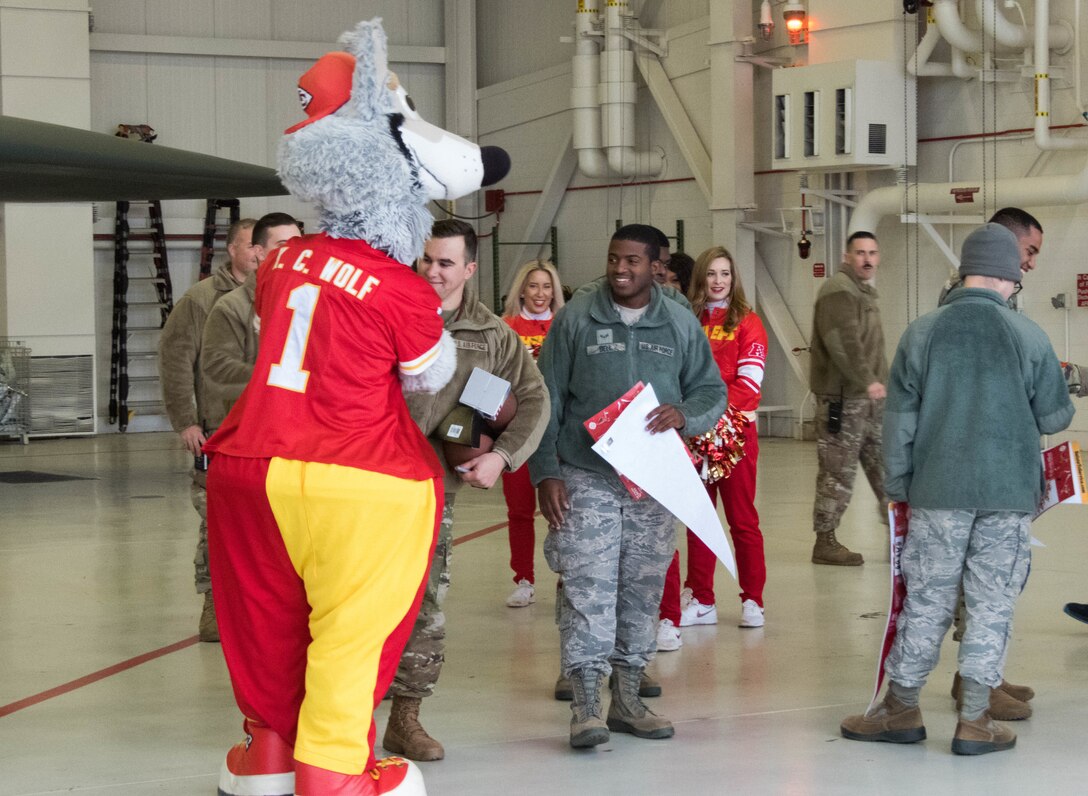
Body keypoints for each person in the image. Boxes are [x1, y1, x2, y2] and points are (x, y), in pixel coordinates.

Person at [840, 223, 1073, 756]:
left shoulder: (922, 333)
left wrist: (898, 487)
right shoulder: (1030, 335)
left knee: (927, 600)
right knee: (991, 604)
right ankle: (975, 722)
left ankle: (900, 709)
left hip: (938, 491)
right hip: (1008, 493)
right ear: (1011, 278)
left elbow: (898, 422)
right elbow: (1056, 415)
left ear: (963, 271)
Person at [529, 223, 726, 749]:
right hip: (585, 474)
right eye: (615, 259)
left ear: (655, 264)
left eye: (633, 261)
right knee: (588, 588)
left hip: (654, 483)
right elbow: (545, 398)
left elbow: (712, 390)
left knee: (641, 588)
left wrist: (685, 414)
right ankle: (587, 706)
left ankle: (629, 698)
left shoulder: (680, 323)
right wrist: (545, 471)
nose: (621, 269)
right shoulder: (576, 318)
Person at [383, 219, 549, 762]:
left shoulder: (493, 336)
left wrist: (502, 457)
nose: (433, 270)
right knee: (348, 600)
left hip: (431, 489)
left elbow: (532, 398)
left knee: (425, 604)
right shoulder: (386, 311)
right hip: (363, 478)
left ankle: (406, 718)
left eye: (446, 262)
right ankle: (340, 716)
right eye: (426, 258)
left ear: (470, 269)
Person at [658, 246, 769, 651]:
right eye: (712, 274)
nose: (719, 281)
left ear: (734, 278)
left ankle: (753, 598)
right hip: (695, 435)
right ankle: (701, 598)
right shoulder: (688, 321)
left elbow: (749, 386)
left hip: (737, 437)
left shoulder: (750, 323)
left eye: (726, 273)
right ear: (701, 278)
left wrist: (708, 418)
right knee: (698, 519)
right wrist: (695, 422)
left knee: (742, 519)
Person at [157, 216, 256, 641]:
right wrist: (186, 421)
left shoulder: (280, 296)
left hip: (262, 430)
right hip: (216, 430)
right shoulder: (202, 300)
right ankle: (214, 607)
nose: (258, 254)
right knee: (216, 522)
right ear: (231, 250)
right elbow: (176, 360)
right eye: (250, 245)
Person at [808, 231, 888, 566]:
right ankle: (825, 542)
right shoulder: (838, 290)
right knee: (837, 474)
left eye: (872, 252)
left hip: (871, 401)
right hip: (844, 400)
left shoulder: (862, 292)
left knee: (888, 469)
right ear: (846, 256)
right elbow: (844, 343)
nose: (867, 259)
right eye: (860, 253)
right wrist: (867, 380)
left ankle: (901, 533)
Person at [499, 259, 565, 608]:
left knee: (560, 510)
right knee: (520, 511)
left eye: (546, 286)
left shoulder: (565, 325)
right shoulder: (505, 327)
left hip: (557, 436)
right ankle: (523, 578)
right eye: (534, 286)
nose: (540, 294)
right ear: (521, 289)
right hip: (518, 432)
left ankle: (566, 575)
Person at [202, 213, 302, 419]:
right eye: (282, 244)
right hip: (254, 425)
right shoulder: (232, 307)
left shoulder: (313, 300)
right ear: (259, 252)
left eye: (297, 244)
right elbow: (216, 368)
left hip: (304, 428)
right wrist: (277, 380)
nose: (293, 252)